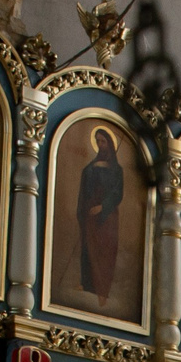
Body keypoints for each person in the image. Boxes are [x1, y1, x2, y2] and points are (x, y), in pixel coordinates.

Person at [76, 127, 125, 301]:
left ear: (110, 144)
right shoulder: (91, 166)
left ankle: (102, 289)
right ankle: (87, 283)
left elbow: (117, 193)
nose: (99, 145)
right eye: (97, 141)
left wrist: (103, 207)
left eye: (103, 141)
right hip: (90, 213)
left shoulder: (117, 170)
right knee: (88, 247)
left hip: (107, 216)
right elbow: (86, 185)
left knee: (105, 250)